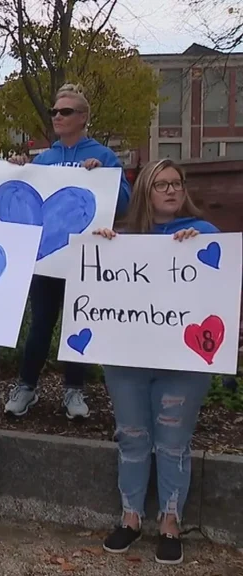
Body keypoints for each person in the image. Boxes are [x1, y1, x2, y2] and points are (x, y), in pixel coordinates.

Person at [91, 159, 217, 565]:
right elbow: (97, 288)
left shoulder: (205, 235)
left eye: (176, 183)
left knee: (173, 442)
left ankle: (170, 522)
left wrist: (196, 249)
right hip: (127, 358)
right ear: (146, 191)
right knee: (131, 436)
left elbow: (220, 288)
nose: (171, 190)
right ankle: (130, 517)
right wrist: (101, 247)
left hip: (183, 361)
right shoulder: (123, 240)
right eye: (161, 184)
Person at [4, 83, 132, 420]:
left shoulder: (104, 156)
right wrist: (17, 168)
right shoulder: (44, 159)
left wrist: (105, 177)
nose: (57, 117)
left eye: (66, 111)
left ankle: (74, 390)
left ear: (84, 117)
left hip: (84, 257)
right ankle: (26, 386)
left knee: (78, 322)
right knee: (40, 324)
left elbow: (124, 204)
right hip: (47, 259)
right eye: (54, 111)